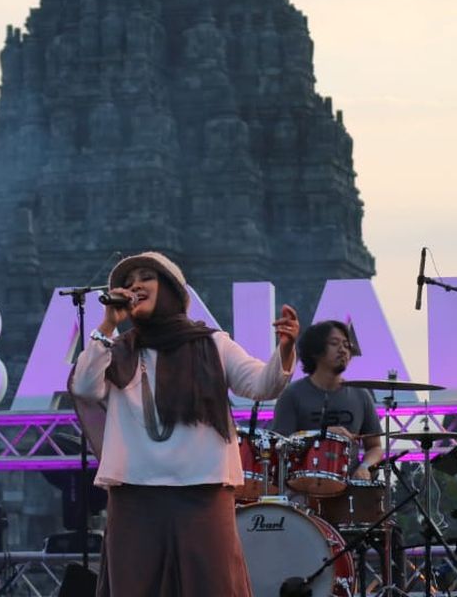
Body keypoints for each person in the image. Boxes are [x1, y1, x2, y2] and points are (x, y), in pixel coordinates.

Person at [70, 251, 297, 597]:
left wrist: (284, 349)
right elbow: (85, 387)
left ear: (172, 289)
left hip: (202, 490)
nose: (134, 286)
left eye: (146, 278)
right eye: (128, 283)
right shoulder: (118, 349)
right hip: (135, 492)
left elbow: (260, 385)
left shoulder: (212, 344)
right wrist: (107, 325)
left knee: (212, 586)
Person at [270, 319, 382, 477]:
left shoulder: (361, 395)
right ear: (316, 351)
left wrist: (365, 466)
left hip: (350, 484)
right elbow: (280, 445)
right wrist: (321, 435)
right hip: (303, 484)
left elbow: (375, 447)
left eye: (346, 345)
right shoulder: (292, 394)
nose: (343, 350)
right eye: (335, 343)